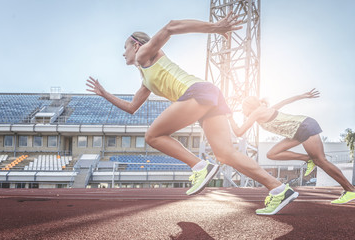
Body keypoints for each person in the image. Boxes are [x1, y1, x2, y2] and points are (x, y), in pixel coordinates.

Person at [86, 12, 298, 215]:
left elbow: (170, 26)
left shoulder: (144, 54)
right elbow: (132, 107)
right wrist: (104, 93)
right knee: (225, 154)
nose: (123, 53)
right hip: (209, 94)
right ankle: (279, 189)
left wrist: (214, 28)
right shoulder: (145, 78)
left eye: (125, 47)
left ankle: (199, 166)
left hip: (197, 92)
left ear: (136, 45)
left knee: (152, 135)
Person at [228, 88, 355, 204]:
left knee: (321, 161)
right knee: (272, 154)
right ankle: (308, 159)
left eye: (242, 108)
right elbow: (285, 101)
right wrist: (302, 95)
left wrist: (230, 117)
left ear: (248, 106)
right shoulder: (263, 111)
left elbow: (239, 132)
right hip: (295, 132)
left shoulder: (256, 112)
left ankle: (350, 190)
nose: (242, 111)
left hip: (304, 126)